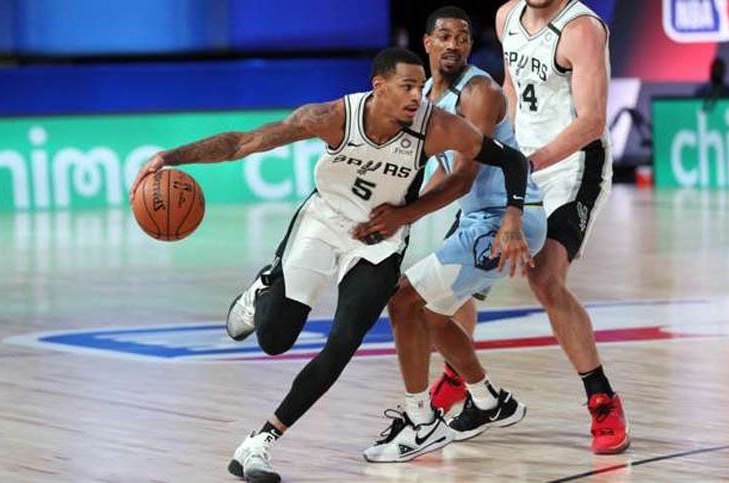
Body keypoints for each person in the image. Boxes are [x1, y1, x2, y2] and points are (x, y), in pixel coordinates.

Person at [130, 47, 535, 482]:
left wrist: (509, 216)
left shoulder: (435, 125)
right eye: (406, 87)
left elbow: (511, 160)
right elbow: (243, 143)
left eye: (420, 87)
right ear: (378, 87)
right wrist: (170, 157)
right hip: (323, 221)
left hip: (378, 239)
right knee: (275, 340)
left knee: (343, 343)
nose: (417, 96)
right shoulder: (332, 117)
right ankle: (264, 289)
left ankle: (261, 441)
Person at [356, 7, 547, 463]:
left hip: (507, 221)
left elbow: (463, 178)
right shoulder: (422, 97)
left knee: (404, 302)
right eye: (444, 36)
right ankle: (488, 400)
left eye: (463, 38)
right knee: (434, 317)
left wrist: (403, 216)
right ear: (426, 43)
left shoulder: (479, 93)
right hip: (479, 219)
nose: (454, 44)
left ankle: (421, 422)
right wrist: (391, 215)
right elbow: (430, 169)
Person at [498, 0, 630, 454]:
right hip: (525, 158)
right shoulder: (506, 16)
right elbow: (511, 89)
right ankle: (464, 382)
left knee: (545, 278)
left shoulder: (581, 28)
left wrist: (530, 163)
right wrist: (501, 150)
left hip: (573, 167)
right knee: (475, 250)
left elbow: (592, 121)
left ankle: (601, 398)